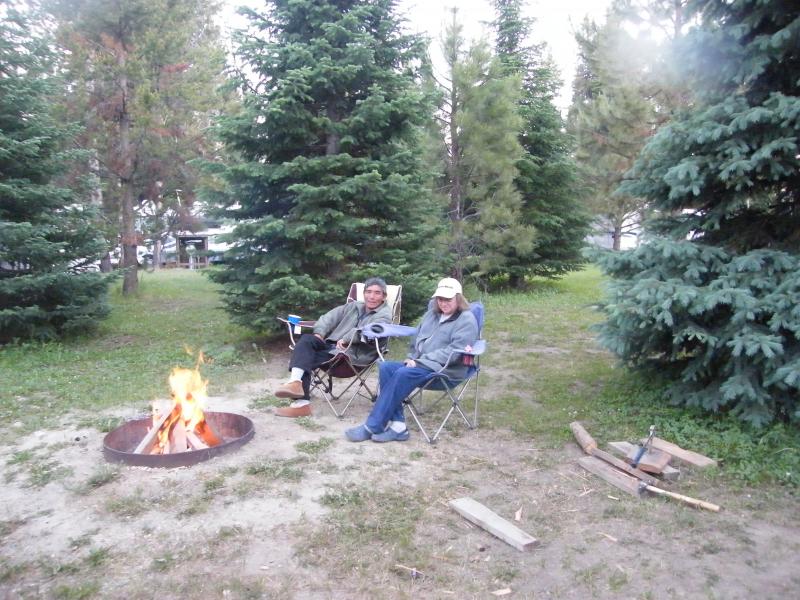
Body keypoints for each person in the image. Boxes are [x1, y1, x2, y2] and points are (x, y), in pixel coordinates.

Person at [345, 277, 478, 442]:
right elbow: (416, 341)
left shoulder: (466, 320)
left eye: (448, 299)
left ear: (458, 298)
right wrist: (411, 358)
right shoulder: (431, 315)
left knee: (403, 373)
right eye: (440, 299)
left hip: (446, 370)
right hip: (421, 366)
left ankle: (372, 426)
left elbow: (455, 351)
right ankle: (398, 427)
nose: (443, 303)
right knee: (386, 368)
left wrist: (420, 362)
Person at [274, 277, 393, 417]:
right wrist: (319, 333)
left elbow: (372, 330)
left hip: (352, 355)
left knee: (304, 357)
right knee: (307, 340)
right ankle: (295, 384)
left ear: (384, 296)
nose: (372, 296)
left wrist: (347, 339)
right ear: (364, 293)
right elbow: (328, 318)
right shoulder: (353, 307)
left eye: (377, 293)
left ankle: (301, 404)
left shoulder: (385, 315)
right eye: (369, 291)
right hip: (332, 348)